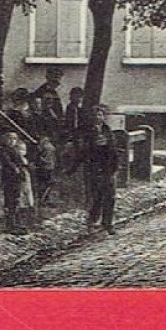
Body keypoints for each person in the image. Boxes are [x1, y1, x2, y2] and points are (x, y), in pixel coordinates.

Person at [69, 104, 122, 234]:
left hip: (108, 166)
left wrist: (115, 165)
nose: (97, 118)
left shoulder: (107, 129)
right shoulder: (86, 131)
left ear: (103, 117)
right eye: (94, 115)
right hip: (94, 166)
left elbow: (113, 148)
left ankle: (108, 223)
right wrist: (74, 167)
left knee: (110, 196)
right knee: (96, 195)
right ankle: (93, 220)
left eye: (100, 115)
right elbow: (83, 150)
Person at [0, 130, 35, 233]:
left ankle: (17, 224)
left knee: (17, 200)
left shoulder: (15, 150)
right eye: (10, 138)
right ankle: (11, 225)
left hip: (17, 178)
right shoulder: (3, 150)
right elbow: (7, 162)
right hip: (10, 177)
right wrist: (16, 168)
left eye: (14, 139)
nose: (12, 141)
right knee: (10, 201)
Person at [30, 68, 66, 140]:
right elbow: (39, 111)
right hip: (45, 124)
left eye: (59, 78)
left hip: (55, 123)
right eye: (54, 79)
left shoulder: (54, 92)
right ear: (47, 77)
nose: (57, 83)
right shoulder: (41, 92)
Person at [33, 135, 58, 207]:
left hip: (45, 168)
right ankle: (45, 199)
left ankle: (43, 200)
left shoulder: (46, 147)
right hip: (48, 167)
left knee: (44, 184)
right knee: (46, 184)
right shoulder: (50, 147)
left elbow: (42, 158)